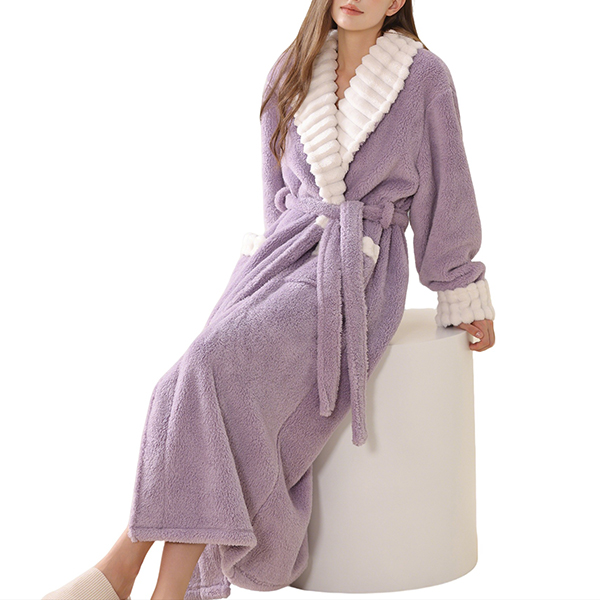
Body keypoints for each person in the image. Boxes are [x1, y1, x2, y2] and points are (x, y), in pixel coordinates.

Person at [42, 0, 496, 599]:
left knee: (210, 366)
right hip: (282, 255)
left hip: (354, 270)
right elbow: (274, 193)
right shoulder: (290, 69)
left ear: (396, 3)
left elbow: (447, 185)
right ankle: (129, 576)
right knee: (177, 385)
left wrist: (460, 285)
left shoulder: (424, 77)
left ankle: (136, 577)